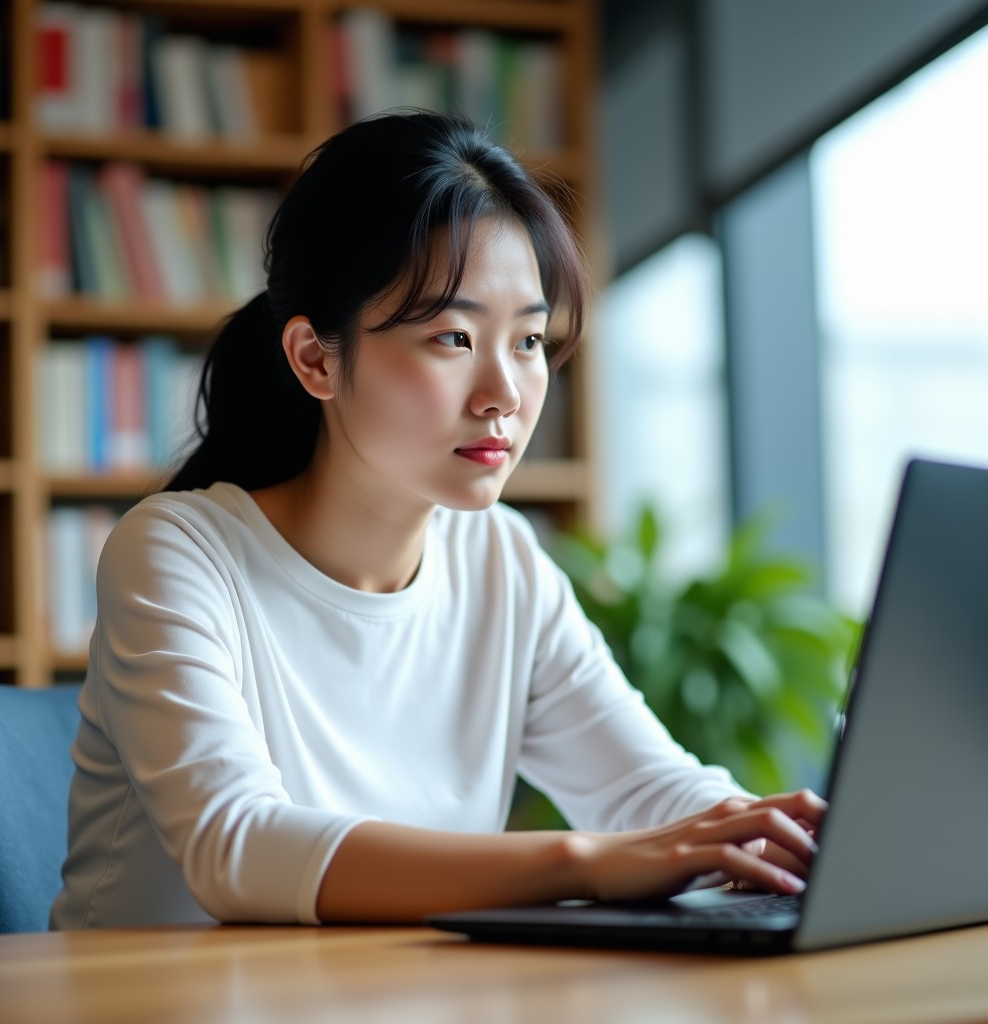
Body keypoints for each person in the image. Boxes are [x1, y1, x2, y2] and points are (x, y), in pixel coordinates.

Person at [51, 111, 824, 930]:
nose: (504, 394)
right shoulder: (177, 552)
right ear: (317, 358)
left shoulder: (502, 560)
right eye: (454, 337)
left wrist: (785, 840)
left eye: (528, 341)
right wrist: (582, 861)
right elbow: (238, 850)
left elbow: (650, 791)